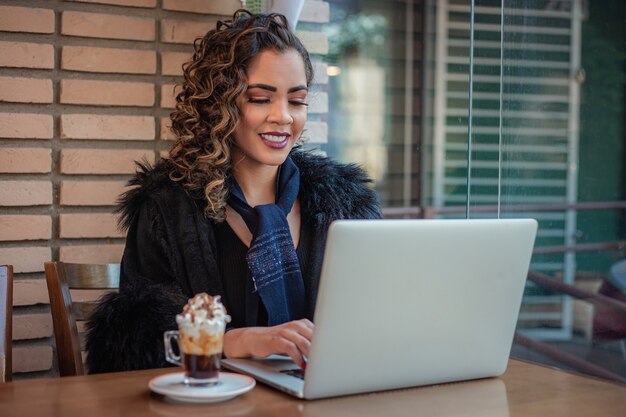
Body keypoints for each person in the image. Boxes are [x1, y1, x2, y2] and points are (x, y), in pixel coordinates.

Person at [85, 10, 381, 373]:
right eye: (260, 98)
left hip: (322, 397)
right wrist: (230, 342)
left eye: (297, 100)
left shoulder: (345, 205)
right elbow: (131, 345)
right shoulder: (167, 210)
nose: (284, 116)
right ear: (219, 104)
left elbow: (374, 320)